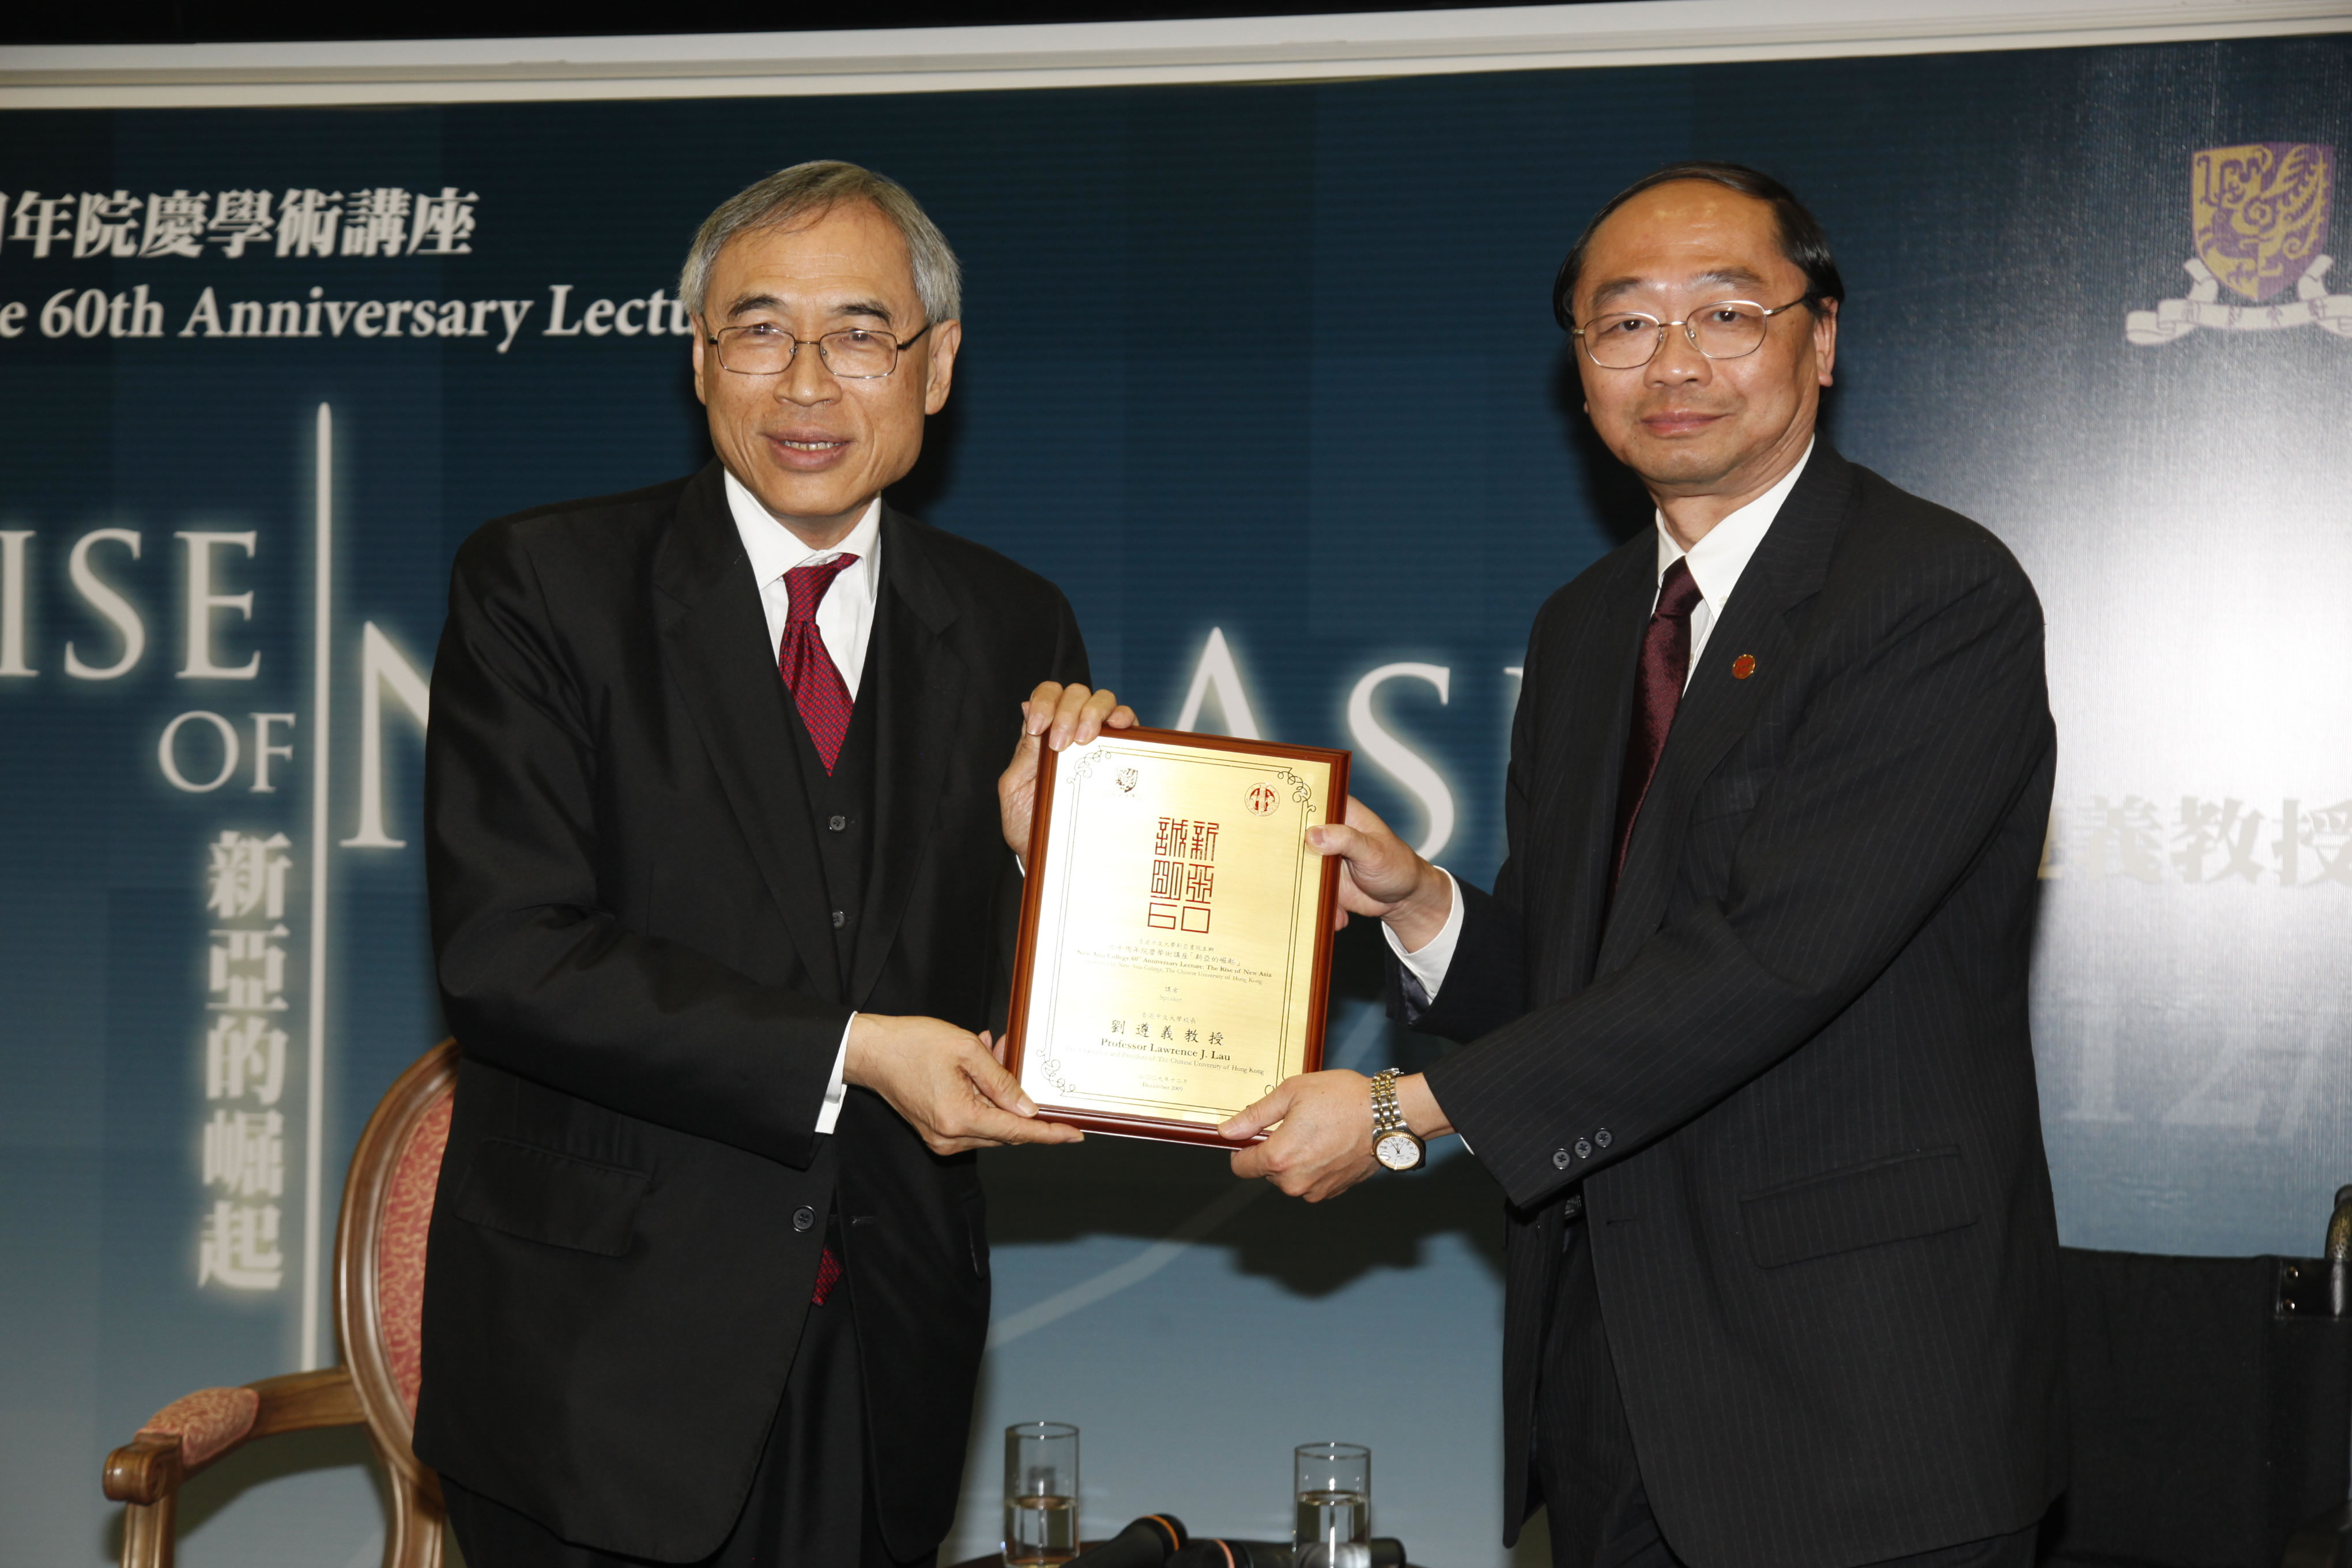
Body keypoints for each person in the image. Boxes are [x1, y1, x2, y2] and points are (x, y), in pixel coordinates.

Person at [1222, 163, 2065, 1567]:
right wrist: (1423, 907)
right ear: (1580, 366)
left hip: (1857, 1402)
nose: (1674, 362)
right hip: (1616, 1382)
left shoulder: (1932, 594)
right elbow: (1585, 970)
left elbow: (1771, 962)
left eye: (1726, 314)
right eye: (1624, 327)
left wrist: (1399, 1110)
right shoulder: (1590, 622)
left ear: (1824, 338)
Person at [415, 160, 1128, 1568]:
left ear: (938, 368)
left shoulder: (1012, 620)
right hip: (599, 1366)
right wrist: (854, 1048)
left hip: (886, 1343)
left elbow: (1006, 1011)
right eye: (760, 330)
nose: (807, 381)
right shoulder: (543, 586)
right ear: (699, 360)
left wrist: (1046, 867)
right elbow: (509, 955)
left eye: (861, 334)